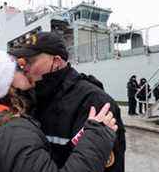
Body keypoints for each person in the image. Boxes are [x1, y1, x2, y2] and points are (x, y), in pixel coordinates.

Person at [0, 50, 117, 172]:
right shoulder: (13, 135)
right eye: (20, 68)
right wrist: (97, 136)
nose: (28, 72)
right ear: (6, 84)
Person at [9, 32, 126, 172]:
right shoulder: (30, 97)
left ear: (56, 61)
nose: (24, 67)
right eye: (23, 61)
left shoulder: (94, 102)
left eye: (30, 61)